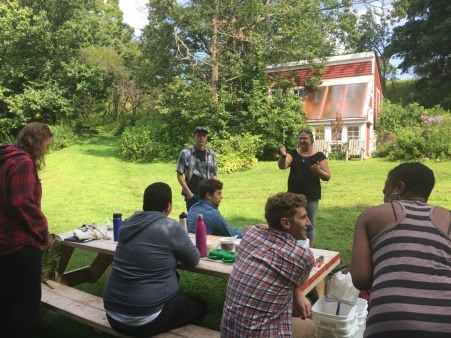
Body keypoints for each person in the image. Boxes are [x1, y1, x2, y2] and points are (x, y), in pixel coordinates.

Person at [350, 162, 451, 337]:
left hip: (390, 318)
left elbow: (361, 279)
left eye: (385, 192)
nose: (384, 198)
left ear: (399, 188)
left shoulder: (371, 215)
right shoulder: (448, 218)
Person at [103, 182, 207, 337]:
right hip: (146, 320)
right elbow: (193, 259)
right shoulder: (169, 226)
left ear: (145, 204)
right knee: (200, 307)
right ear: (168, 206)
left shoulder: (128, 223)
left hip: (112, 314)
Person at [221, 192, 317, 338]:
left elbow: (291, 283)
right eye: (303, 217)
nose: (309, 223)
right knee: (309, 325)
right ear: (286, 223)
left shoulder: (251, 234)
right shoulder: (303, 257)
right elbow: (296, 281)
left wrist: (296, 292)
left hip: (229, 331)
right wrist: (298, 292)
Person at [0, 122, 52, 338]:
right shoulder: (22, 162)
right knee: (27, 302)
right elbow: (22, 202)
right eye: (46, 146)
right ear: (37, 143)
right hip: (20, 243)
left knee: (7, 300)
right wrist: (43, 232)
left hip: (3, 244)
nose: (46, 151)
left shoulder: (5, 158)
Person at [278, 128, 331, 247]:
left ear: (311, 140)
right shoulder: (293, 153)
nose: (302, 141)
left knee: (309, 224)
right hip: (293, 197)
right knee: (291, 222)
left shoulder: (319, 156)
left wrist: (319, 171)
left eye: (305, 138)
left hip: (311, 197)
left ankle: (310, 250)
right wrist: (283, 156)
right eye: (300, 138)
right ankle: (292, 247)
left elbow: (327, 177)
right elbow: (283, 166)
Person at [176, 126, 218, 211]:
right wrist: (189, 193)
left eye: (204, 136)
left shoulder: (212, 154)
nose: (201, 138)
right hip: (192, 196)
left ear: (206, 138)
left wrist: (213, 192)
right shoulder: (185, 153)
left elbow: (215, 174)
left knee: (210, 221)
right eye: (199, 135)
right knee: (194, 222)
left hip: (208, 196)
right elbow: (179, 175)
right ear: (194, 137)